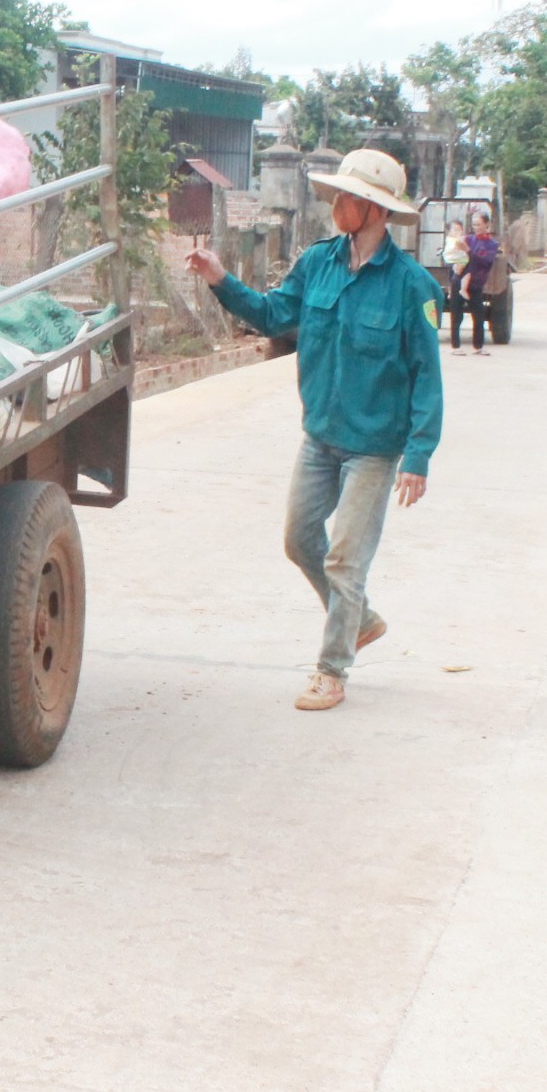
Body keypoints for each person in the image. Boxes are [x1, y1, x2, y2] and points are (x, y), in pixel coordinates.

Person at [183, 148, 443, 711]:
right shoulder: (318, 263)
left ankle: (332, 670)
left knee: (345, 560)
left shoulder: (412, 287)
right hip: (321, 437)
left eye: (345, 197)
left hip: (375, 448)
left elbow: (427, 377)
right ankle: (361, 620)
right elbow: (275, 315)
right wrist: (221, 279)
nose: (334, 204)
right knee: (299, 540)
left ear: (373, 210)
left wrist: (419, 455)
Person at [454, 210, 500, 355]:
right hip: (460, 281)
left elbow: (486, 262)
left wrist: (468, 251)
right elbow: (457, 256)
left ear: (487, 224)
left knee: (478, 315)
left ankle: (478, 346)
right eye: (474, 224)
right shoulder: (467, 239)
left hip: (476, 284)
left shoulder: (492, 244)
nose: (476, 227)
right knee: (456, 314)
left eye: (479, 224)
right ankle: (456, 347)